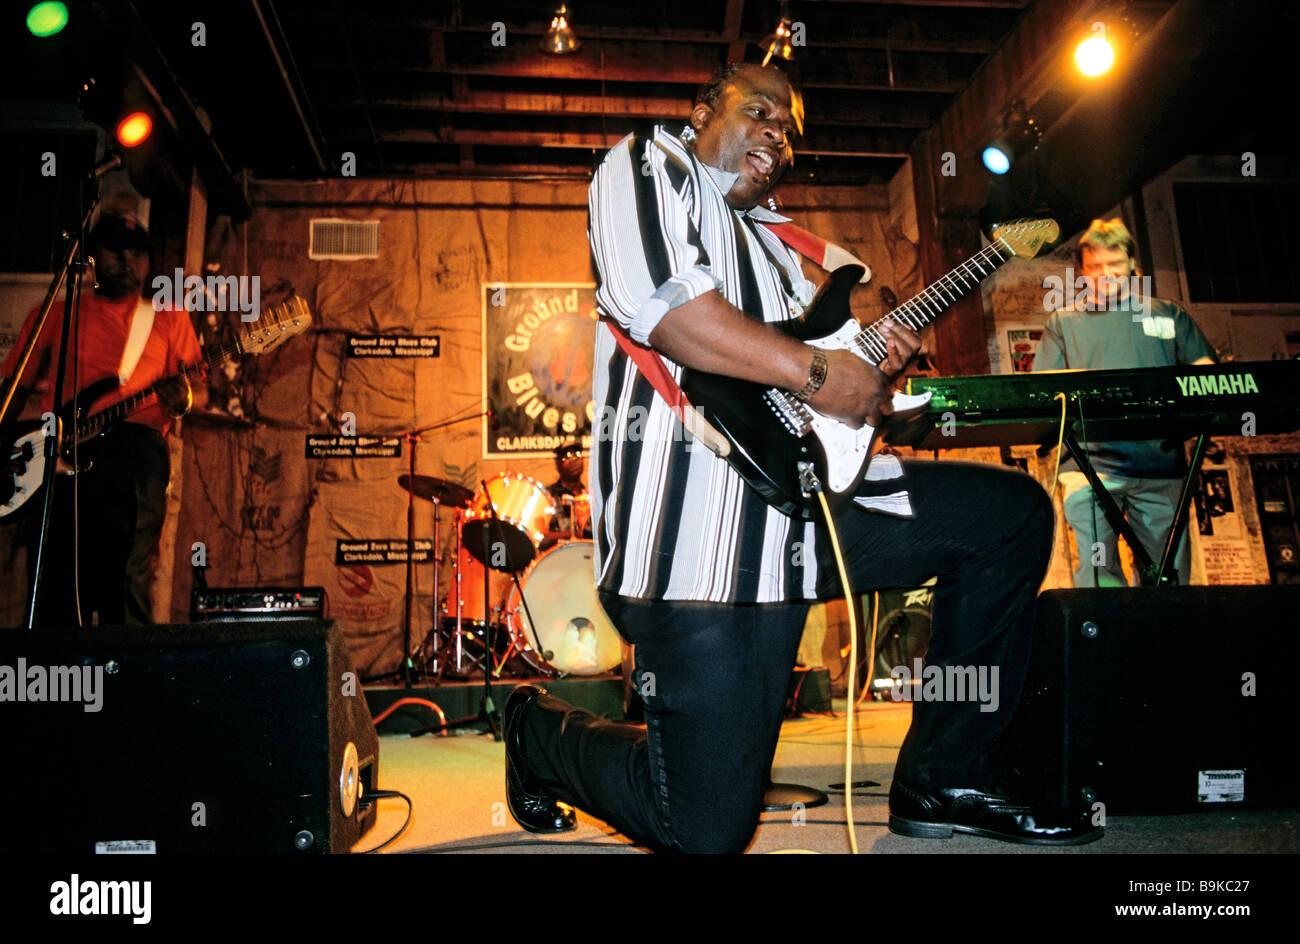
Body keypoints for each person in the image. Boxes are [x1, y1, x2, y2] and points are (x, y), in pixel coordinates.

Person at [502, 63, 1099, 852]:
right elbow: (673, 315)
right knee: (705, 830)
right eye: (759, 112)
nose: (778, 137)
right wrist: (822, 373)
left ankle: (945, 775)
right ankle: (535, 730)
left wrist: (876, 368)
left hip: (808, 510)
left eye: (789, 130)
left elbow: (805, 393)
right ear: (700, 111)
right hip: (699, 547)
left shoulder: (786, 252)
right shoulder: (649, 164)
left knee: (1007, 515)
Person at [1, 212, 205, 626]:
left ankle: (125, 681)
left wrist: (180, 398)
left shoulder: (167, 317)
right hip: (59, 455)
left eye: (137, 253)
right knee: (54, 577)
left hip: (135, 450)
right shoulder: (57, 313)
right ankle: (53, 680)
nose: (127, 260)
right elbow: (14, 387)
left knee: (126, 575)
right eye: (114, 250)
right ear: (92, 257)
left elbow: (197, 391)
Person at [1033, 218, 1216, 586]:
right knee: (1098, 578)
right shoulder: (1063, 322)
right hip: (1089, 466)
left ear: (1134, 265)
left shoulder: (1168, 314)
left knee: (1169, 578)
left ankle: (1166, 643)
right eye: (1095, 266)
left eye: (1114, 264)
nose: (1105, 274)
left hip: (1161, 465)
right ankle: (1107, 643)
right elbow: (1043, 389)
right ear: (1082, 273)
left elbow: (1208, 374)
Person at [539, 442, 590, 551]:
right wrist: (573, 533)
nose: (574, 460)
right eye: (566, 457)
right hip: (556, 560)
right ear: (557, 465)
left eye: (577, 455)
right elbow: (540, 538)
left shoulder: (591, 496)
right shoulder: (547, 496)